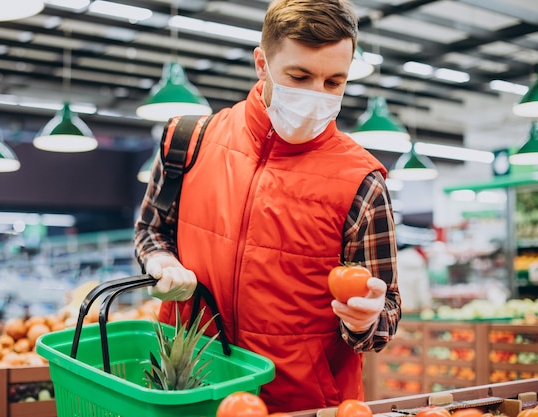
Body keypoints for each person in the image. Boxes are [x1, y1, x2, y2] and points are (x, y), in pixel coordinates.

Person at [134, 0, 401, 412]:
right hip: (191, 393)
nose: (317, 95)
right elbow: (151, 231)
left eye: (334, 82)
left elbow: (386, 313)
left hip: (304, 405)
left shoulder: (361, 182)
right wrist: (161, 263)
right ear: (263, 64)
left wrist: (366, 322)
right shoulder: (188, 141)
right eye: (299, 76)